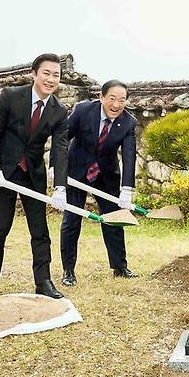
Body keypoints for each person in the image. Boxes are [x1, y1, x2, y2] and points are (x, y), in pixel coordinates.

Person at [0, 53, 69, 299]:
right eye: (46, 73)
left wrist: (60, 186)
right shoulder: (9, 96)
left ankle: (44, 282)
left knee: (40, 231)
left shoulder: (59, 111)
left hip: (33, 175)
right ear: (34, 74)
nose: (51, 79)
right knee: (0, 227)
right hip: (4, 173)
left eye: (56, 75)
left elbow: (60, 150)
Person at [59, 79, 138, 286]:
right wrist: (56, 168)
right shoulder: (83, 111)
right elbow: (62, 139)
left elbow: (129, 156)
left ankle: (119, 266)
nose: (116, 104)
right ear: (102, 97)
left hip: (106, 175)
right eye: (112, 98)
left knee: (114, 219)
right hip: (76, 171)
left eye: (122, 100)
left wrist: (127, 189)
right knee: (72, 220)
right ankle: (68, 270)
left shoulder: (129, 122)